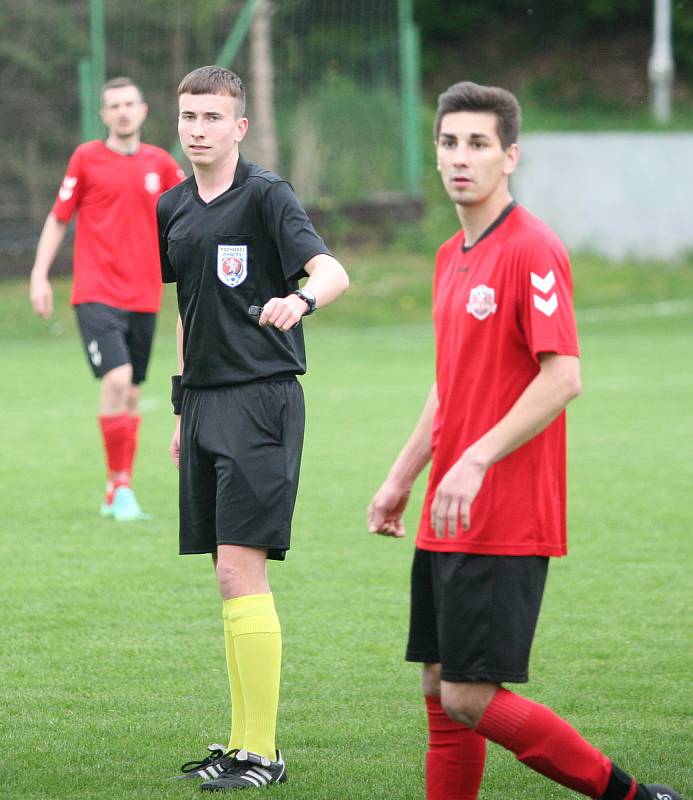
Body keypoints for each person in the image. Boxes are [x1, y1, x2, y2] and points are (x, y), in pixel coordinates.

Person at [367, 81, 680, 800]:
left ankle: (628, 795)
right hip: (447, 510)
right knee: (439, 687)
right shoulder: (450, 254)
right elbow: (450, 383)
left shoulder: (532, 249)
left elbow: (562, 376)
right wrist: (402, 474)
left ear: (510, 156)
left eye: (477, 144)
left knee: (471, 697)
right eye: (448, 142)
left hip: (504, 511)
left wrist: (474, 457)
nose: (459, 158)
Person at [157, 65, 348, 791]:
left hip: (261, 398)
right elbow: (189, 311)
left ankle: (262, 753)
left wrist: (300, 301)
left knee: (242, 569)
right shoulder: (172, 208)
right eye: (188, 117)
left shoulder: (265, 195)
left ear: (238, 127)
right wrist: (180, 406)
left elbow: (330, 270)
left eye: (211, 117)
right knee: (225, 576)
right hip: (203, 402)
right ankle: (239, 744)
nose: (197, 129)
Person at [30, 77, 184, 522]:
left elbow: (190, 211)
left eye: (129, 104)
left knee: (132, 392)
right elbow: (59, 219)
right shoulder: (86, 158)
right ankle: (118, 486)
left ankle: (119, 489)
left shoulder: (160, 163)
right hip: (96, 290)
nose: (122, 111)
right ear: (104, 114)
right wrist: (40, 275)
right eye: (113, 105)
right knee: (116, 379)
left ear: (143, 110)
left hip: (144, 294)